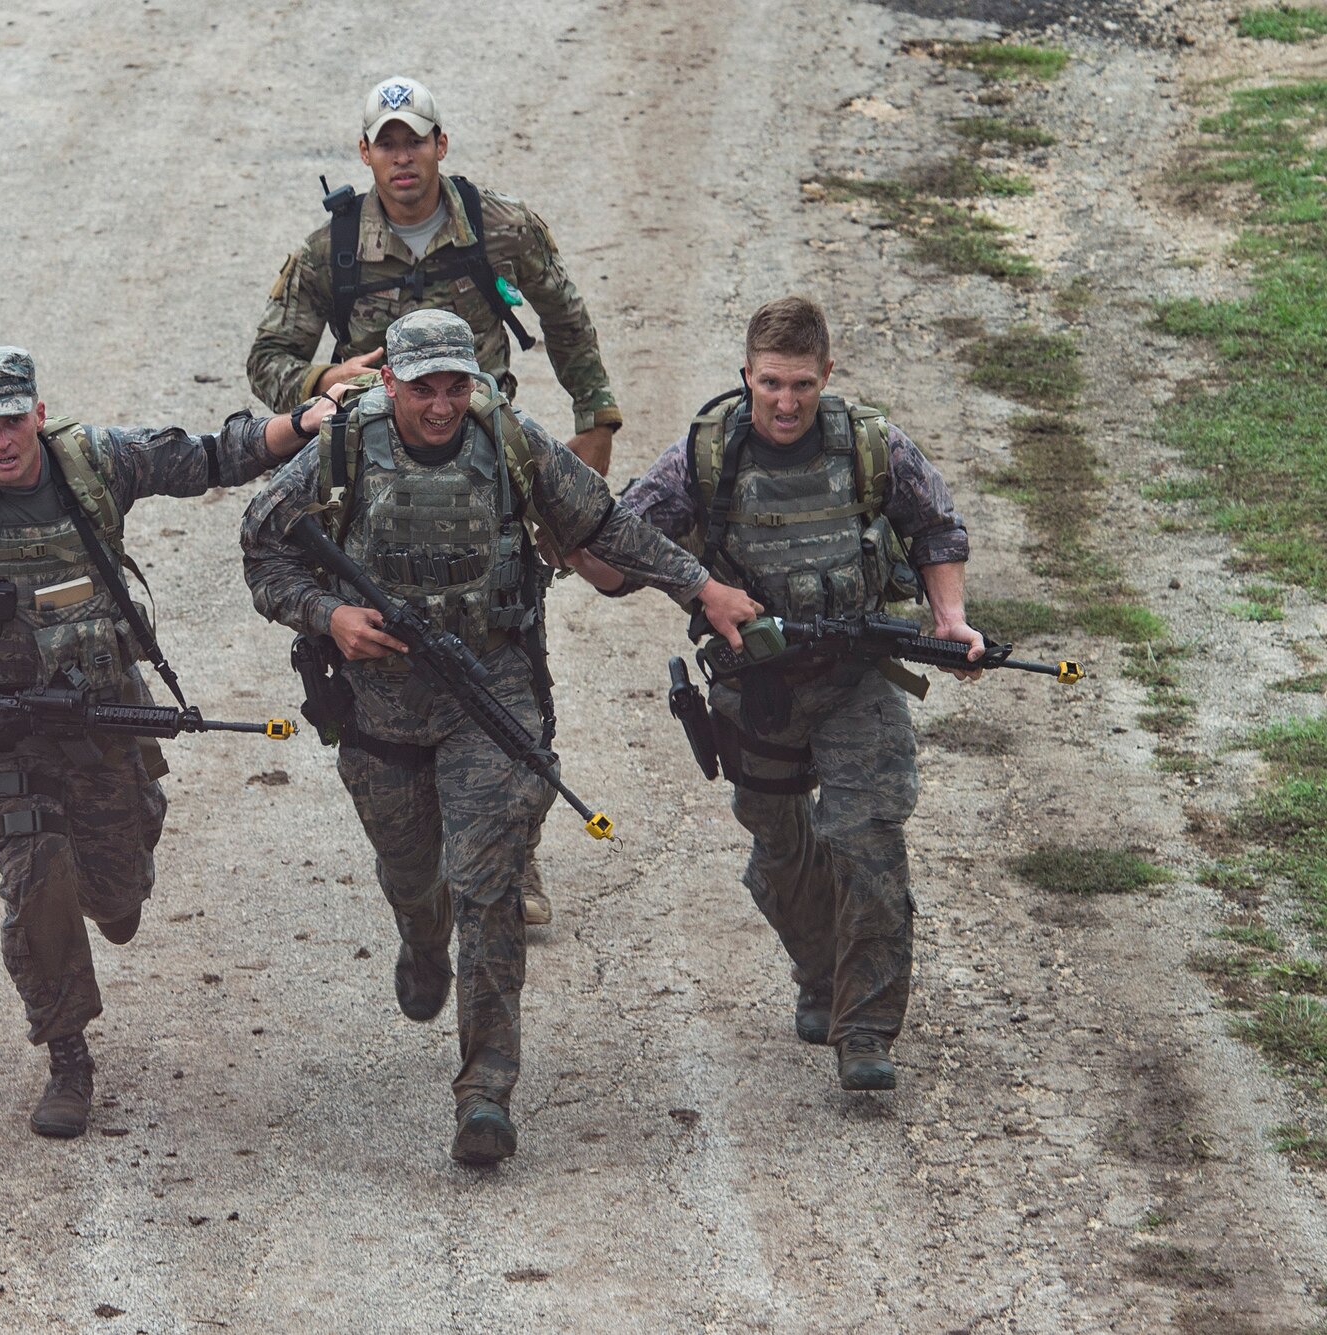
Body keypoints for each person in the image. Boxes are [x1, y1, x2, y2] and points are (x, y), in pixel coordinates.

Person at [241, 310, 758, 1163]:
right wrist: (326, 614)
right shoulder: (338, 452)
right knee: (416, 873)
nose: (442, 406)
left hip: (490, 690)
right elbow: (264, 549)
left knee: (488, 883)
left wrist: (700, 587)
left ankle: (486, 1090)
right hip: (379, 706)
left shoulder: (509, 441)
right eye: (424, 389)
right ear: (388, 384)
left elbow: (605, 527)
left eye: (456, 386)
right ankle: (418, 933)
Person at [0, 347, 346, 1141]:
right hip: (1, 728)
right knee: (37, 875)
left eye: (13, 420)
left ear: (38, 414)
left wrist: (301, 423)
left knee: (116, 898)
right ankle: (68, 1053)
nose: (2, 440)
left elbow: (211, 456)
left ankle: (115, 871)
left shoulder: (94, 463)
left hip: (106, 713)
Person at [246, 76, 629, 928]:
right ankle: (410, 836)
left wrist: (595, 418)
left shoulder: (501, 228)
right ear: (366, 154)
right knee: (384, 655)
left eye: (414, 140)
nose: (402, 157)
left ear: (441, 145)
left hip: (488, 465)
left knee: (509, 635)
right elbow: (268, 359)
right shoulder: (330, 251)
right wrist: (322, 380)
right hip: (378, 481)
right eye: (386, 143)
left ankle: (513, 847)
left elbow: (567, 318)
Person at [573, 295, 981, 1092]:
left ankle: (865, 1029)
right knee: (781, 844)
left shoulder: (871, 445)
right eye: (770, 385)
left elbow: (937, 526)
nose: (787, 402)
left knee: (867, 838)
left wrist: (951, 617)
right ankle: (820, 969)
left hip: (857, 676)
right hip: (754, 686)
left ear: (827, 374)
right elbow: (621, 551)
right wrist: (576, 538)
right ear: (746, 377)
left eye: (802, 384)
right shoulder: (704, 456)